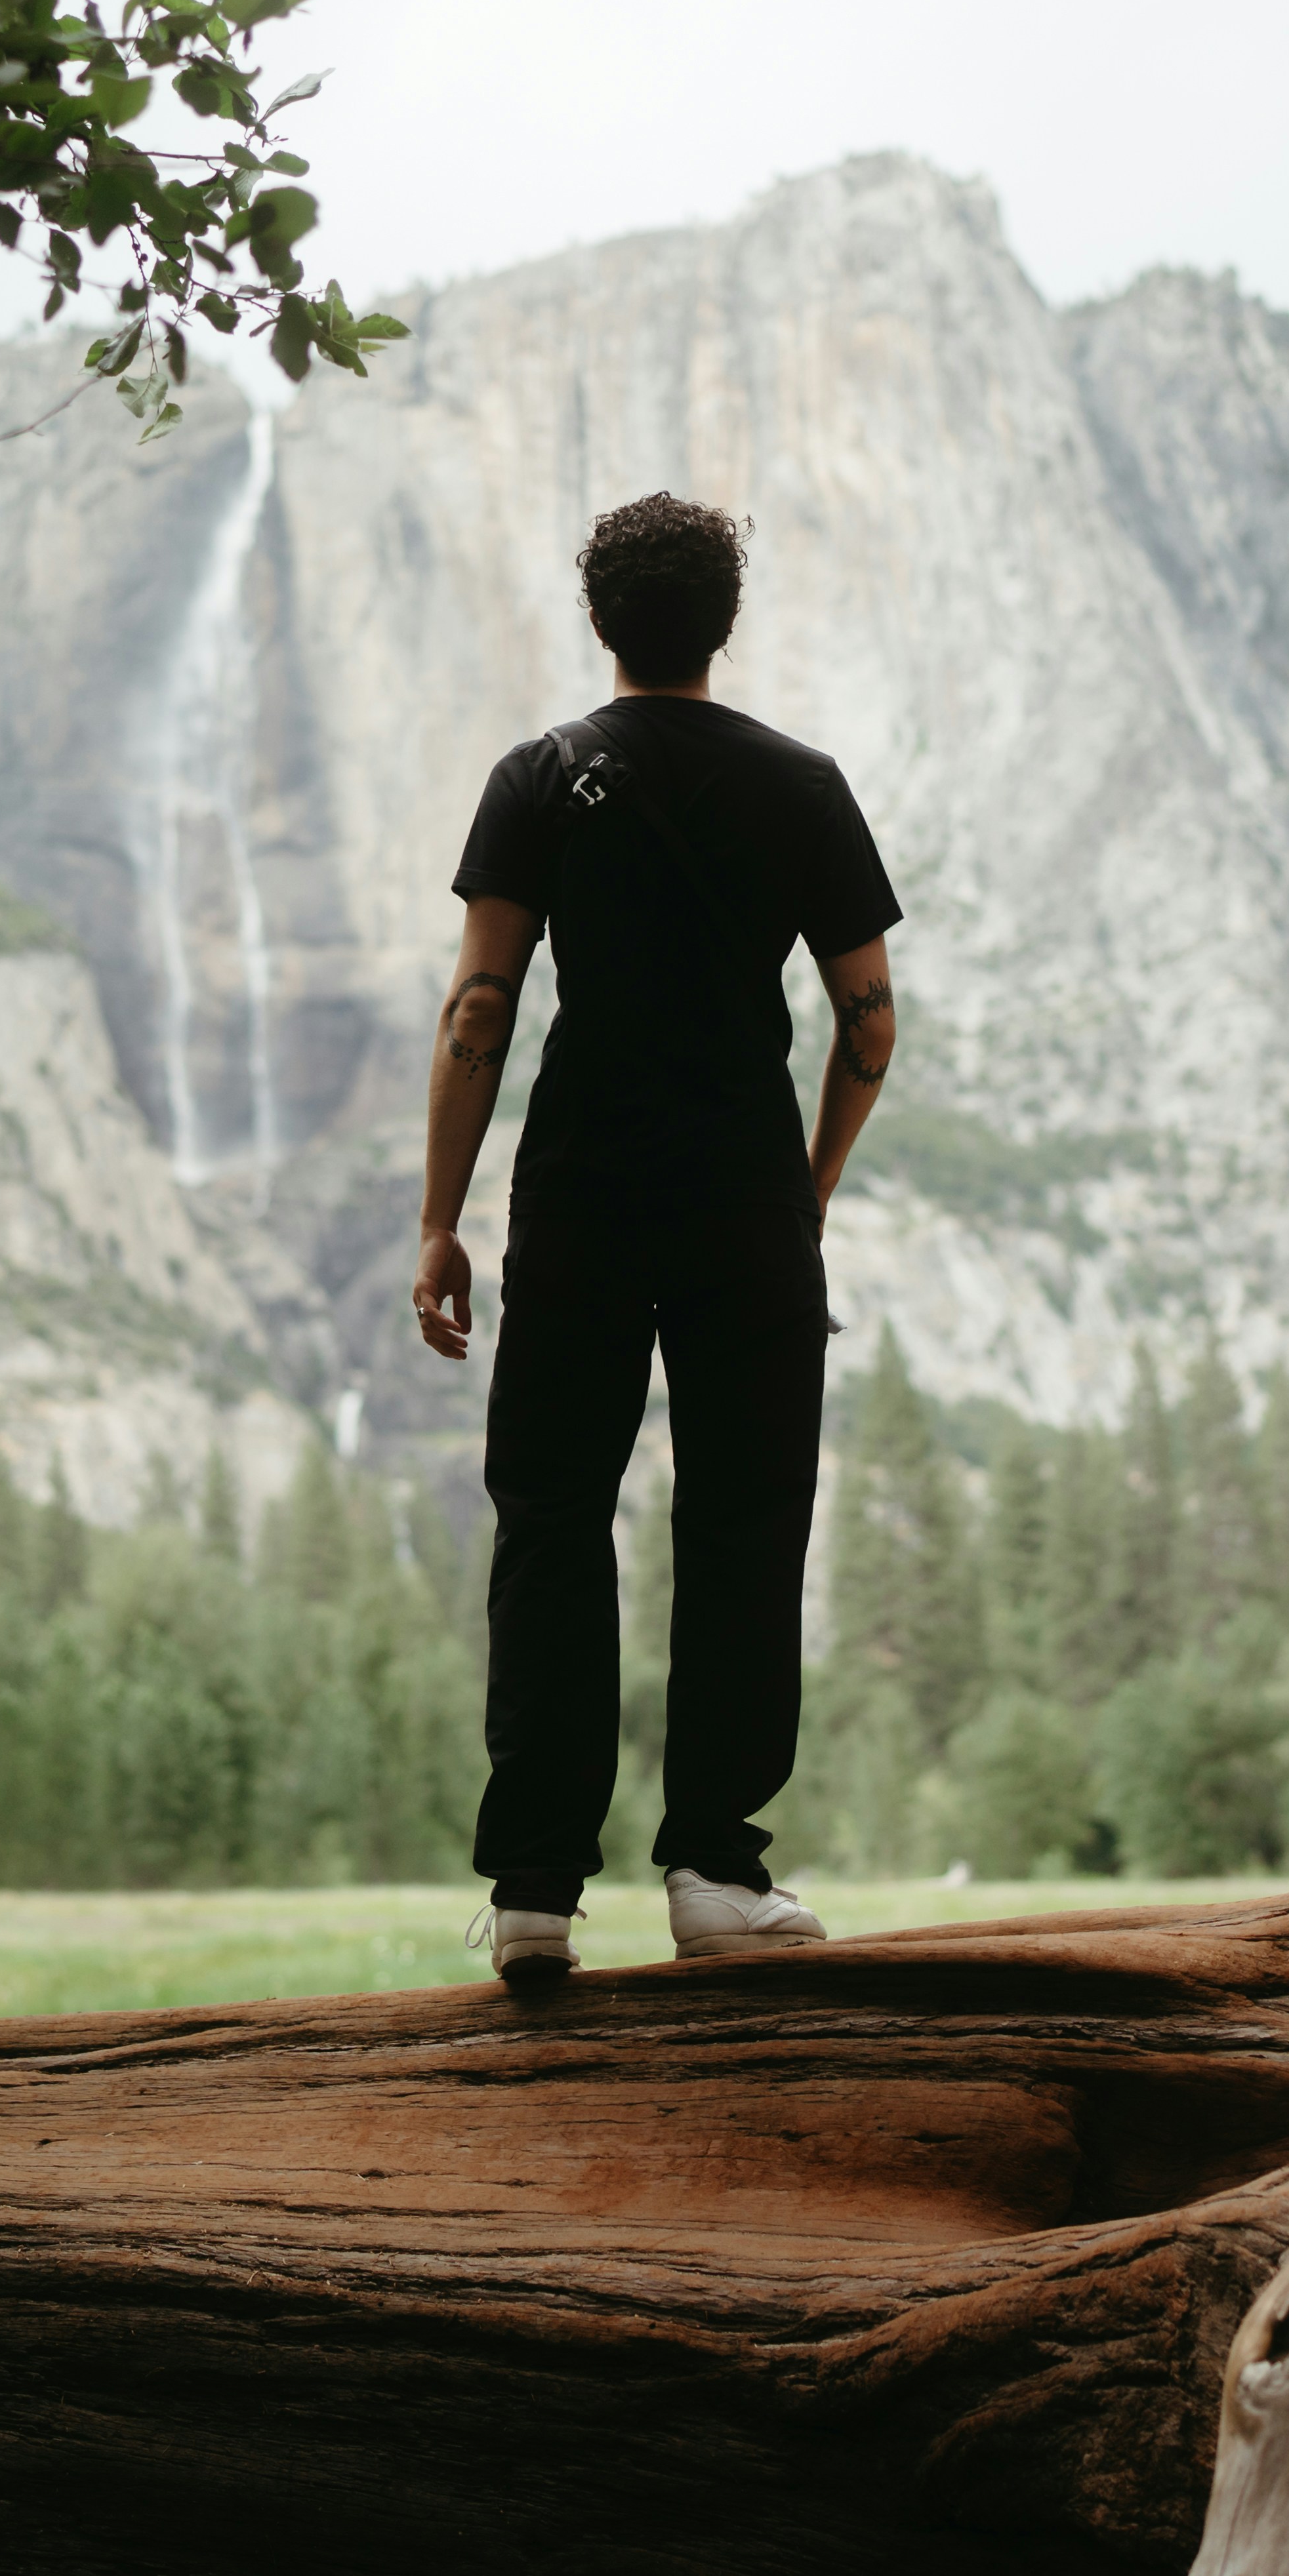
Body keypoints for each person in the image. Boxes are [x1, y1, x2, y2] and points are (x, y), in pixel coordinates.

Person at [411, 493, 901, 1988]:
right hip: (744, 1190)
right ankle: (712, 1869)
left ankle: (534, 1891)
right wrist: (806, 1183)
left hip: (579, 1188)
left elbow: (480, 1008)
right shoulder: (803, 784)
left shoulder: (538, 777)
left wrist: (437, 1218)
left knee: (551, 1514)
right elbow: (867, 1016)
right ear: (723, 620)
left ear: (599, 620)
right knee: (745, 1515)